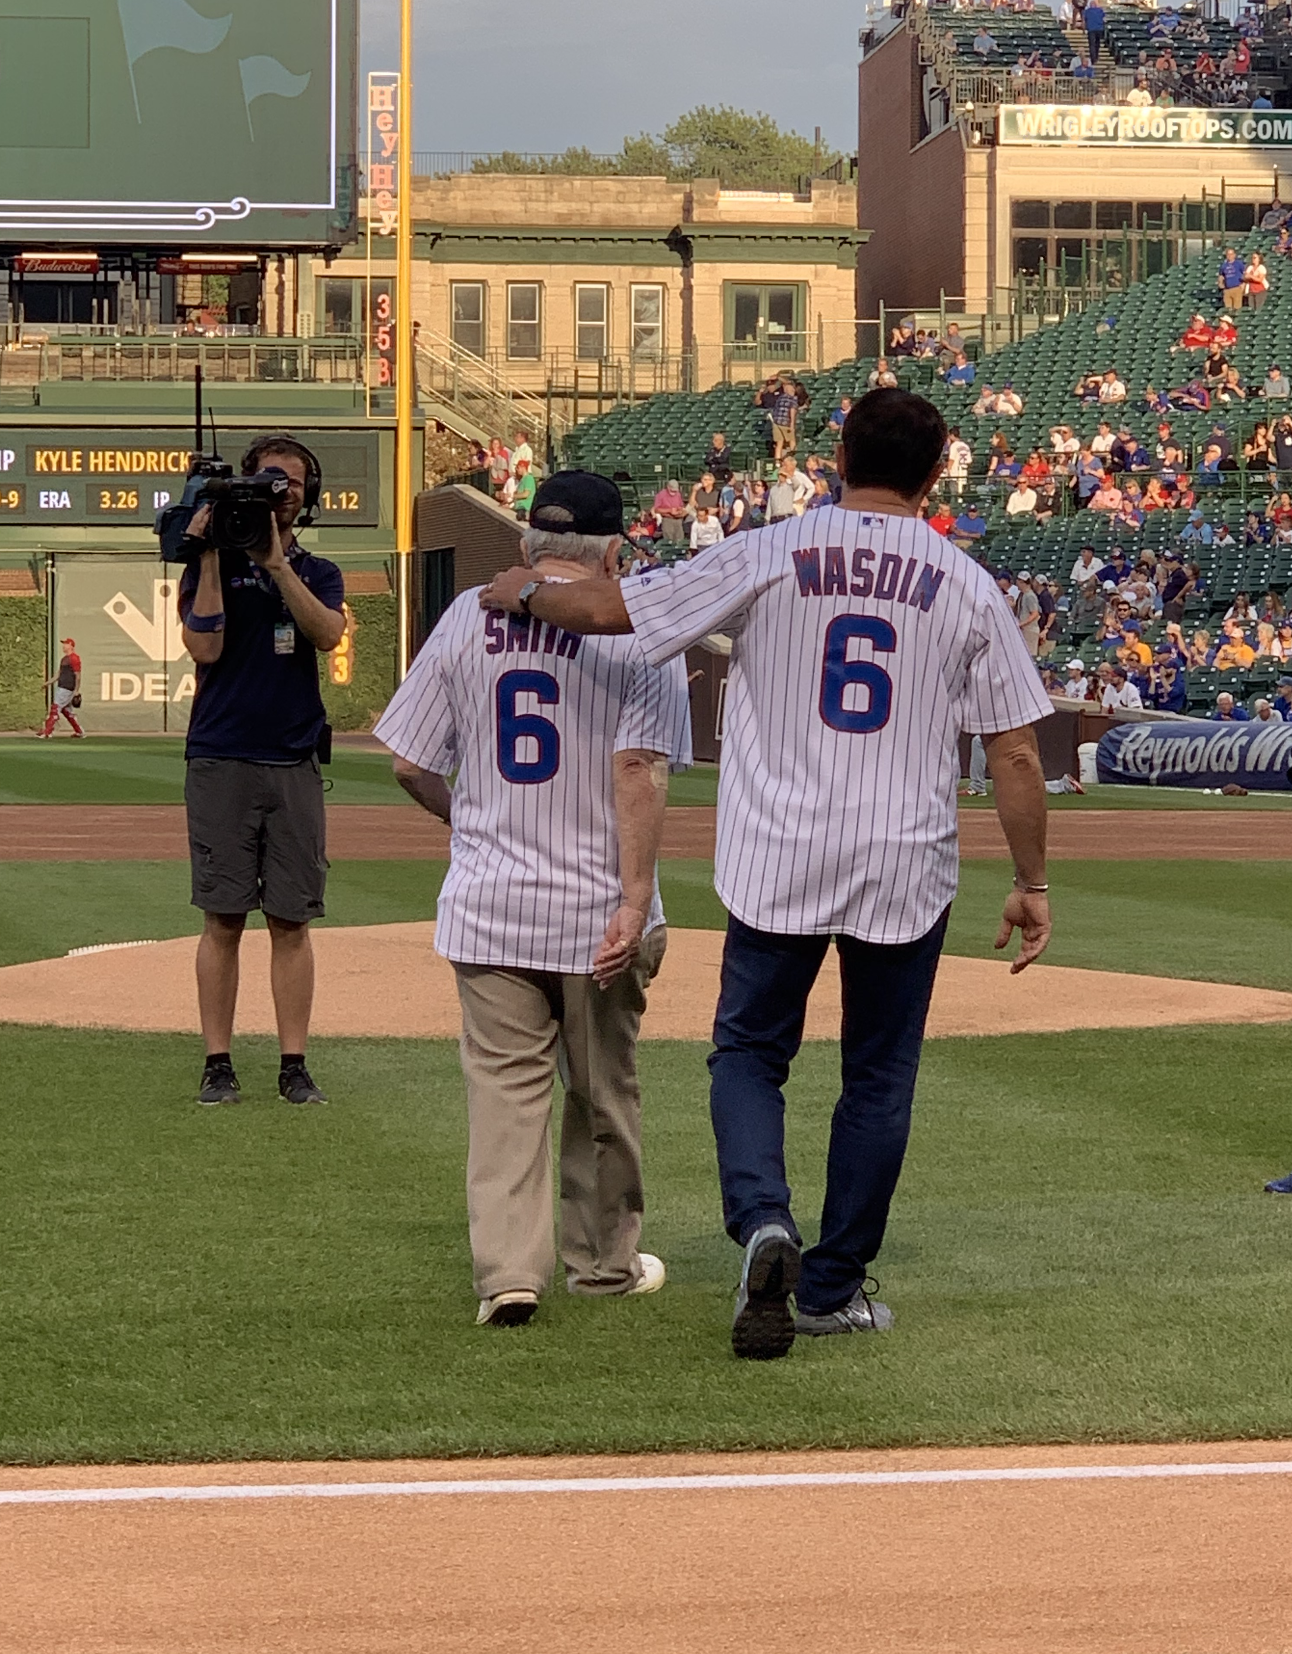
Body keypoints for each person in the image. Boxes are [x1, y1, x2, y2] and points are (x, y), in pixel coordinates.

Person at [480, 388, 1054, 1360]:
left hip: (778, 847)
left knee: (749, 1054)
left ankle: (762, 1222)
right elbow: (1013, 754)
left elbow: (611, 607)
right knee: (877, 1077)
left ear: (837, 455)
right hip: (901, 855)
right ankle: (827, 1287)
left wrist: (525, 592)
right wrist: (1031, 881)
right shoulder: (962, 581)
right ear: (934, 468)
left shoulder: (769, 549)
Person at [375, 471, 691, 1327]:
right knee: (602, 1093)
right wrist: (633, 901)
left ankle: (510, 1275)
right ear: (616, 553)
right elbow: (639, 770)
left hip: (491, 902)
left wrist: (470, 818)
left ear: (526, 548)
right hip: (596, 909)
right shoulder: (637, 633)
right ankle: (602, 1267)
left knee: (506, 1098)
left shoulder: (466, 615)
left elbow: (407, 759)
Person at [178, 433, 347, 1107]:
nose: (284, 491)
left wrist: (277, 566)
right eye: (273, 479)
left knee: (291, 920)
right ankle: (217, 1062)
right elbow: (205, 644)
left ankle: (293, 1063)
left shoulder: (320, 570)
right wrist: (215, 551)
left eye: (297, 483)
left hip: (293, 756)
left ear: (307, 496)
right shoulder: (206, 563)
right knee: (222, 916)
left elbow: (328, 634)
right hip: (221, 754)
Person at [39, 637, 85, 739]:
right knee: (66, 711)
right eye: (63, 644)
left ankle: (47, 732)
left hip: (67, 687)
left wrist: (77, 690)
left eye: (66, 644)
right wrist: (47, 683)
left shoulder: (74, 658)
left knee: (55, 708)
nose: (63, 646)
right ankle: (79, 731)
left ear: (71, 646)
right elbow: (58, 674)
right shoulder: (64, 659)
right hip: (62, 686)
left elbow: (78, 675)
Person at [768, 378, 799, 460]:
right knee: (792, 441)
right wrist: (792, 424)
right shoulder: (793, 398)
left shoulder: (780, 397)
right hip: (786, 422)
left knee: (779, 443)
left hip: (776, 422)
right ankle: (793, 458)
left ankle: (777, 462)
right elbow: (792, 411)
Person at [653, 478, 687, 546]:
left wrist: (680, 510)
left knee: (680, 540)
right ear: (668, 487)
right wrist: (670, 510)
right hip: (667, 519)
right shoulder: (661, 495)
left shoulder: (678, 494)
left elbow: (681, 505)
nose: (674, 492)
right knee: (669, 540)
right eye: (672, 490)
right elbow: (656, 509)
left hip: (678, 520)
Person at [1218, 246, 1247, 311]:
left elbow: (1245, 273)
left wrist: (1244, 284)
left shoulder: (1239, 263)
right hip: (1227, 290)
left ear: (1234, 255)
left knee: (1237, 309)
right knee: (1228, 310)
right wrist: (1221, 283)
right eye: (1228, 254)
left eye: (1231, 254)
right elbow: (1221, 275)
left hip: (1236, 288)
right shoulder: (1224, 265)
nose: (1229, 256)